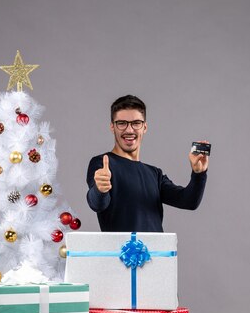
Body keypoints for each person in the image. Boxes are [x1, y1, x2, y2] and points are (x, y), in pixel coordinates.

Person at [86, 95, 209, 232]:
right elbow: (97, 204)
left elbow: (189, 201)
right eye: (121, 123)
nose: (129, 130)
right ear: (112, 127)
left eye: (136, 123)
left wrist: (199, 174)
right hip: (122, 253)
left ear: (144, 127)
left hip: (156, 253)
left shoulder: (155, 174)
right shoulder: (103, 165)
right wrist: (100, 189)